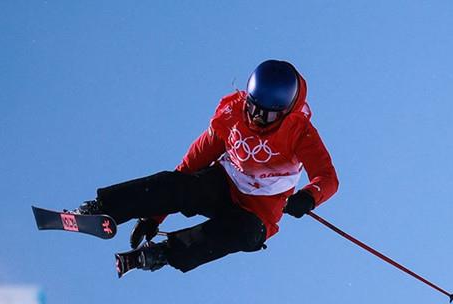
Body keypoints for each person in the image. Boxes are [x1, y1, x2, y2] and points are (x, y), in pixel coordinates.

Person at [79, 60, 339, 274]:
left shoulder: (299, 132)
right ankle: (102, 208)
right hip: (223, 184)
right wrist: (155, 215)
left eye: (266, 115)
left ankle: (162, 253)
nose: (256, 118)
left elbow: (327, 178)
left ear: (284, 112)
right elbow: (193, 162)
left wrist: (308, 197)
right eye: (253, 107)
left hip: (258, 211)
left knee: (245, 234)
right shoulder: (233, 115)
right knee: (181, 184)